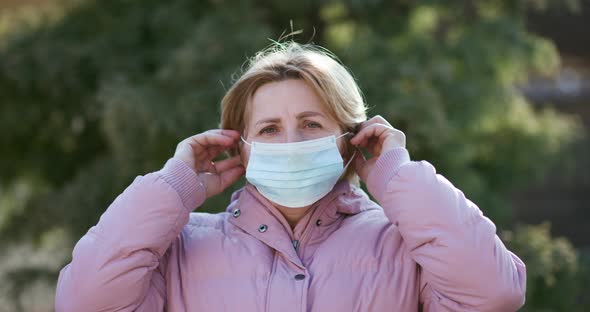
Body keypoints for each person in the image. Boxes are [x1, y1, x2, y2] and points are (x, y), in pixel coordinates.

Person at [55, 42, 526, 311]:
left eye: (312, 124)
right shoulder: (179, 250)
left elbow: (495, 293)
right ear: (240, 145)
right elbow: (83, 302)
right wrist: (175, 186)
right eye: (269, 129)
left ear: (350, 138)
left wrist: (395, 176)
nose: (292, 142)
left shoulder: (406, 247)